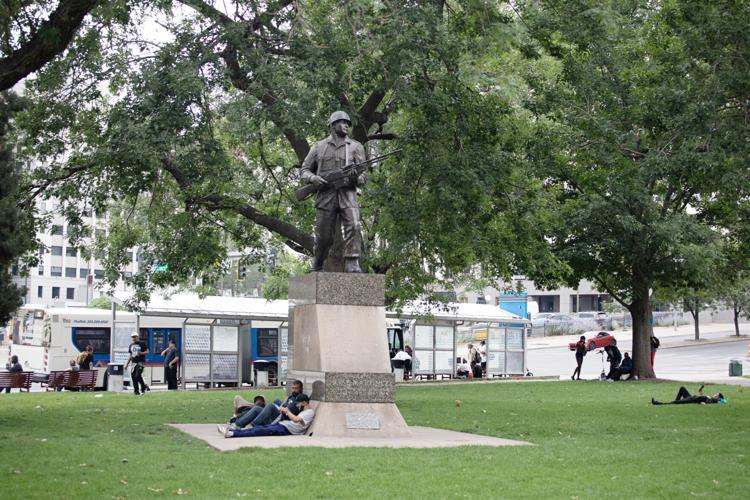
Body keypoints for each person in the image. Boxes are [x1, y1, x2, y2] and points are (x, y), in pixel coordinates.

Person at [300, 110, 367, 273]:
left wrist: (356, 178)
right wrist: (312, 179)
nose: (346, 126)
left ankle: (352, 261)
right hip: (326, 195)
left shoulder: (356, 147)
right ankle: (318, 262)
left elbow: (364, 173)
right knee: (324, 237)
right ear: (333, 125)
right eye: (342, 122)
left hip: (348, 194)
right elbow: (304, 170)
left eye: (348, 123)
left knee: (354, 225)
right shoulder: (318, 146)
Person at [219, 394, 315, 438]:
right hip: (283, 425)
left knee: (260, 430)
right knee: (260, 428)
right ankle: (233, 431)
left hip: (285, 429)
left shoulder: (309, 412)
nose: (297, 406)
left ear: (304, 402)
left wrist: (287, 411)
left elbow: (296, 419)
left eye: (298, 404)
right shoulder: (305, 411)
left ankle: (233, 433)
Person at [227, 380, 305, 430]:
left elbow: (293, 411)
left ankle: (251, 426)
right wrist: (283, 403)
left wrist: (282, 408)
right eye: (293, 388)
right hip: (278, 414)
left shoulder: (301, 399)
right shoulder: (291, 396)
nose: (294, 390)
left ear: (301, 389)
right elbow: (284, 404)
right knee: (257, 408)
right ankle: (237, 424)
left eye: (296, 388)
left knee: (270, 406)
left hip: (282, 418)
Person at [652, 385, 727, 405]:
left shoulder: (714, 400)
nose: (714, 394)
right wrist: (701, 390)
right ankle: (676, 400)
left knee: (675, 403)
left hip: (691, 400)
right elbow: (701, 396)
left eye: (716, 394)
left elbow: (723, 401)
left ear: (718, 397)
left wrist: (703, 403)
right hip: (691, 397)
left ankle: (658, 403)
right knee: (682, 388)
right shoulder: (709, 397)